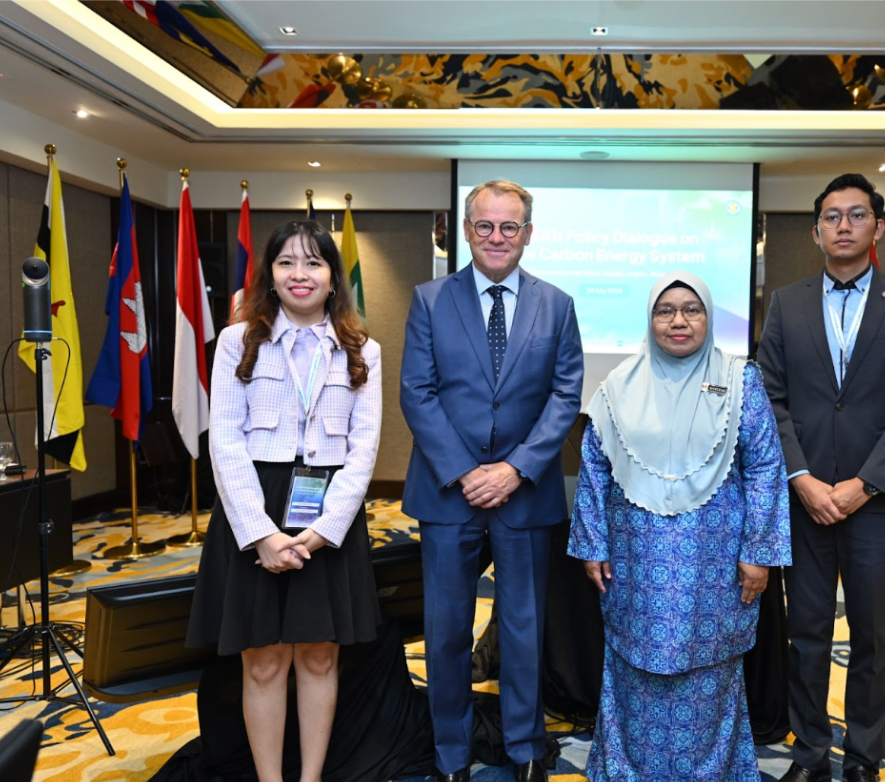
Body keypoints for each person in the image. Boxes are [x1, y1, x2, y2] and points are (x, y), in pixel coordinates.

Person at [569, 271, 791, 782]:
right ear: (650, 320)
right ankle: (629, 769)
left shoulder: (741, 380)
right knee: (636, 665)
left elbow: (764, 467)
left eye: (691, 309)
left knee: (708, 667)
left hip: (716, 564)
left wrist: (759, 552)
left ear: (709, 318)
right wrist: (592, 543)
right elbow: (595, 469)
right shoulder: (616, 386)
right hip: (636, 562)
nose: (678, 321)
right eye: (665, 310)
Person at [757, 174, 885, 782]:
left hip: (878, 505)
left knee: (871, 640)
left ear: (877, 228)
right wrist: (802, 478)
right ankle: (809, 757)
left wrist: (864, 484)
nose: (843, 225)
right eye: (831, 217)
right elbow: (771, 399)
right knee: (806, 638)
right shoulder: (785, 302)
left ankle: (864, 759)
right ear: (815, 232)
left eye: (856, 215)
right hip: (804, 502)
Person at [400, 180, 584, 782]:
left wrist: (514, 469)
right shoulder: (430, 299)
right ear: (467, 230)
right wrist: (464, 471)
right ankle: (451, 754)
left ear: (528, 234)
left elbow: (564, 396)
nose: (497, 237)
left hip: (524, 494)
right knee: (446, 630)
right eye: (485, 226)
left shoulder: (556, 304)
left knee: (523, 630)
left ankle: (527, 749)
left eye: (510, 227)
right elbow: (417, 393)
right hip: (447, 494)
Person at [187, 220, 383, 782]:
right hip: (255, 506)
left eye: (314, 263)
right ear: (269, 275)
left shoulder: (360, 348)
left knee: (320, 655)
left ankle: (311, 778)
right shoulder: (236, 340)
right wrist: (260, 532)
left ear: (332, 277)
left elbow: (364, 447)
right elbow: (224, 440)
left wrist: (326, 529)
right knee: (265, 658)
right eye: (287, 263)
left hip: (329, 511)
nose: (301, 275)